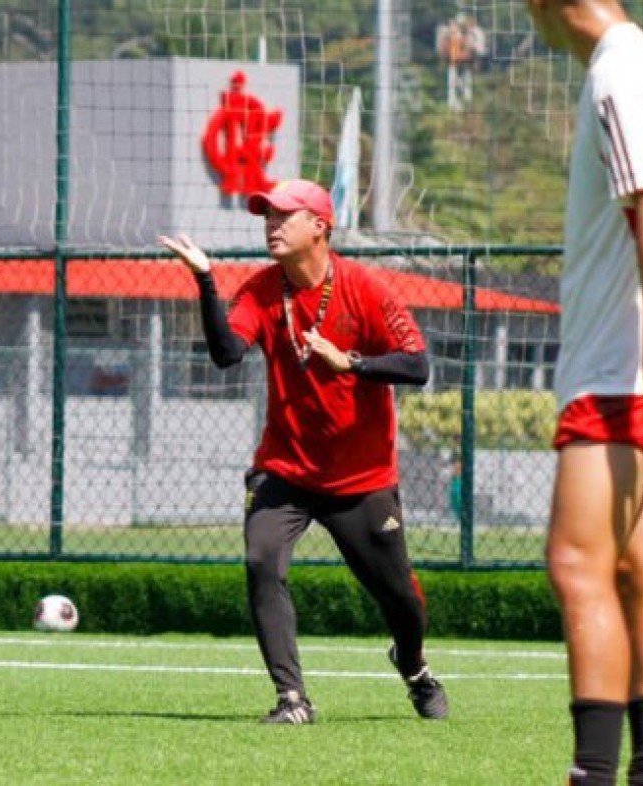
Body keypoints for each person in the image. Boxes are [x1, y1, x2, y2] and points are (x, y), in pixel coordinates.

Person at [158, 179, 448, 725]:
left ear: (319, 226)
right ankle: (293, 700)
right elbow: (226, 353)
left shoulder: (366, 289)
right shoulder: (261, 290)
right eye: (266, 216)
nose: (271, 225)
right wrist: (203, 279)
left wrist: (353, 363)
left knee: (400, 599)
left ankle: (413, 668)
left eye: (283, 216)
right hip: (284, 470)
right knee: (261, 559)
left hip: (360, 478)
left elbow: (418, 365)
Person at [524, 2, 643, 784]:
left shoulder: (620, 72)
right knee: (637, 573)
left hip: (622, 367)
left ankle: (593, 775)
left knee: (576, 563)